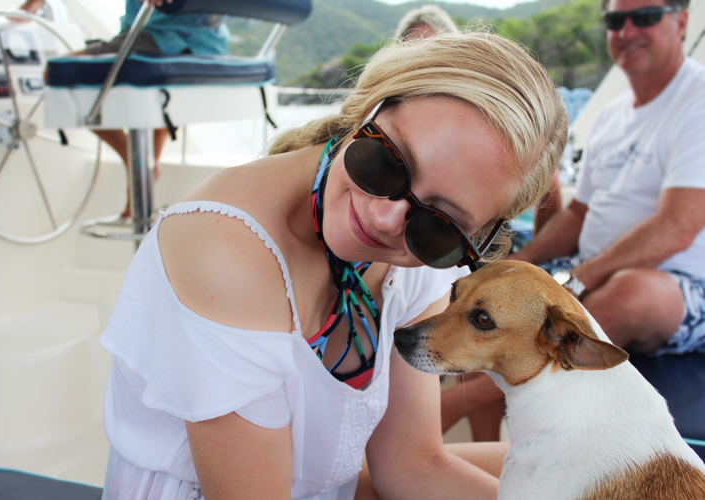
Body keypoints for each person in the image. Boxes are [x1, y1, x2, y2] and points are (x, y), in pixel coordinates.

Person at [99, 31, 567, 500]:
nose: (385, 218)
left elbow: (411, 464)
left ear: (475, 238)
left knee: (578, 473)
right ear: (369, 106)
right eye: (387, 162)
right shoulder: (225, 246)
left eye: (439, 225)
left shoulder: (424, 254)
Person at [444, 0, 705, 441]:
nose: (627, 30)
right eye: (614, 20)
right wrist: (515, 265)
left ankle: (445, 410)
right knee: (490, 295)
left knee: (631, 293)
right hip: (595, 272)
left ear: (681, 20)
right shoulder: (610, 116)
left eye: (643, 17)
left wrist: (579, 280)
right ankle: (489, 462)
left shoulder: (697, 101)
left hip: (678, 289)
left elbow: (677, 227)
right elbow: (579, 214)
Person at [19, 0, 229, 217]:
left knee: (56, 73)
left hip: (157, 40)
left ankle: (134, 161)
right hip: (212, 47)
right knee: (159, 95)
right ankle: (146, 165)